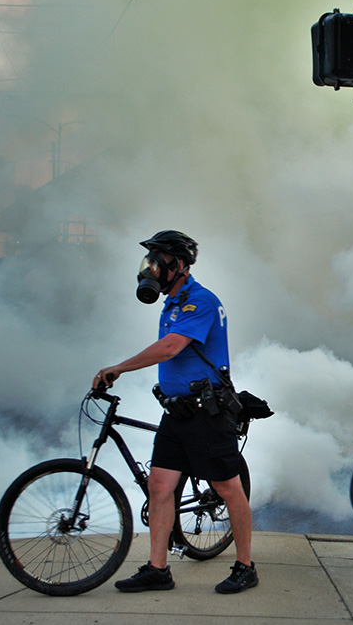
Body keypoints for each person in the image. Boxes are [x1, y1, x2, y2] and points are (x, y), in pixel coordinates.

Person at [93, 230, 257, 595]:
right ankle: (157, 570)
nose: (149, 269)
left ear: (178, 265)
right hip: (177, 414)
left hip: (207, 413)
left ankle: (246, 566)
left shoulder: (198, 301)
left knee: (228, 488)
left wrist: (117, 369)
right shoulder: (171, 303)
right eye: (148, 261)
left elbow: (170, 348)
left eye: (157, 261)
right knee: (160, 487)